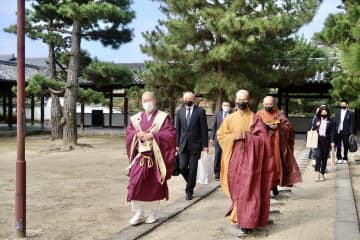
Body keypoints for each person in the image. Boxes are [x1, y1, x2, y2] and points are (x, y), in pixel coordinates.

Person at [217, 89, 274, 235]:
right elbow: (221, 136)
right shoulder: (229, 119)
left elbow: (264, 140)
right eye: (239, 100)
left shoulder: (255, 118)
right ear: (235, 100)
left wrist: (249, 138)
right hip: (234, 159)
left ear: (248, 100)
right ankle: (238, 215)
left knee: (249, 189)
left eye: (244, 100)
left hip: (252, 162)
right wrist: (234, 137)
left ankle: (247, 221)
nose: (241, 102)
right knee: (236, 188)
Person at [125, 91, 176, 225]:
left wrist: (153, 135)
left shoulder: (163, 118)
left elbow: (170, 135)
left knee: (155, 186)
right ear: (142, 102)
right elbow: (129, 133)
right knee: (135, 184)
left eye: (150, 100)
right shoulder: (136, 118)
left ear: (155, 101)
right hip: (141, 157)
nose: (147, 103)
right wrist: (137, 134)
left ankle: (152, 213)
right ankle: (138, 212)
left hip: (156, 158)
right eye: (144, 101)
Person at [256, 96, 302, 197]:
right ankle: (266, 188)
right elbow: (254, 127)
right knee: (264, 167)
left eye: (270, 104)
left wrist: (279, 126)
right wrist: (266, 126)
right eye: (266, 104)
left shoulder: (279, 114)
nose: (268, 106)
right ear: (263, 105)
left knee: (276, 167)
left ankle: (274, 186)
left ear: (274, 104)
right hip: (263, 146)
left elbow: (289, 127)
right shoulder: (259, 114)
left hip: (276, 146)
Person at [176, 91, 209, 200]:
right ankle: (191, 180)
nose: (187, 101)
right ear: (183, 99)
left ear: (194, 99)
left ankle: (189, 190)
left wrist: (205, 145)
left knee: (193, 168)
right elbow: (178, 129)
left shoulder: (200, 111)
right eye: (185, 99)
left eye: (189, 99)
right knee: (182, 167)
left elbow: (204, 129)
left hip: (196, 144)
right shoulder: (180, 111)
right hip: (183, 144)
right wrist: (176, 144)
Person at [311, 105, 335, 181]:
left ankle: (322, 174)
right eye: (322, 112)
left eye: (325, 112)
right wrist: (316, 125)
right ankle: (317, 175)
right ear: (320, 113)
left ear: (327, 113)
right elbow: (312, 129)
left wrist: (332, 142)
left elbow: (332, 132)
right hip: (317, 141)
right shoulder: (317, 119)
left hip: (326, 141)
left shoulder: (331, 121)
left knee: (324, 158)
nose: (324, 113)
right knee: (318, 157)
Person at [210, 101, 231, 180]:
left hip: (228, 139)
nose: (226, 106)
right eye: (224, 105)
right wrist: (212, 138)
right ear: (222, 106)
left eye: (227, 105)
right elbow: (214, 126)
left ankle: (226, 172)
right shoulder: (217, 114)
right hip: (218, 138)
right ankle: (217, 173)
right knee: (217, 155)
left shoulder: (232, 115)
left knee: (226, 156)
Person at [334, 99, 354, 164]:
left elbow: (351, 123)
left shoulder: (350, 113)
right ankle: (339, 157)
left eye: (344, 104)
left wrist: (351, 132)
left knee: (346, 145)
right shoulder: (337, 112)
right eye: (341, 104)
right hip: (339, 131)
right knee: (338, 145)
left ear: (347, 105)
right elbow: (335, 121)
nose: (342, 105)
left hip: (346, 132)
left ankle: (345, 157)